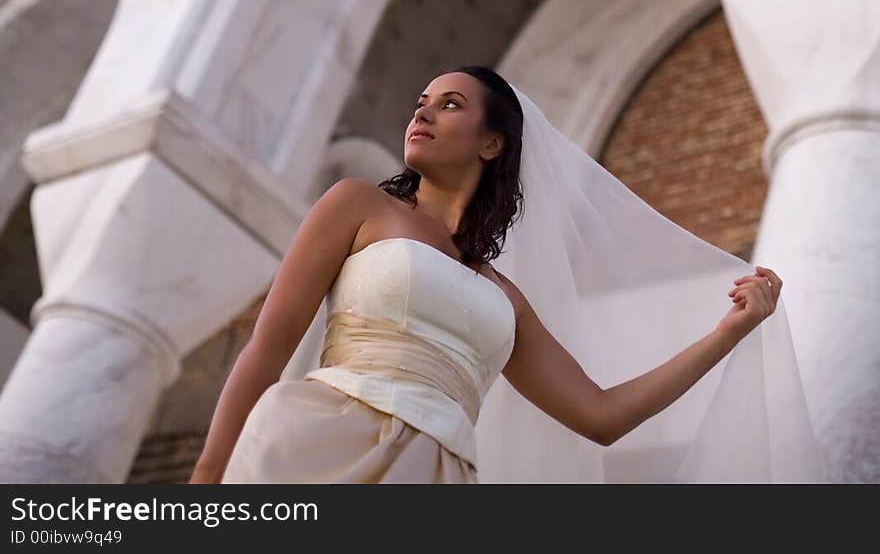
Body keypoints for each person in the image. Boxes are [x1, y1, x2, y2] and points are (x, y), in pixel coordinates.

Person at [189, 65, 824, 484]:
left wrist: (729, 332)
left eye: (451, 104)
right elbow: (266, 350)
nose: (423, 114)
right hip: (310, 446)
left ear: (493, 143)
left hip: (436, 473)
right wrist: (206, 484)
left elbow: (601, 415)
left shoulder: (503, 299)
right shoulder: (358, 205)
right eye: (421, 104)